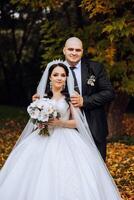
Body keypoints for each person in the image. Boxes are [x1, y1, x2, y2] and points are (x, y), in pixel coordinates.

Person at [0, 61, 121, 200]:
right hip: (42, 137)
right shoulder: (41, 97)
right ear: (49, 77)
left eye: (63, 75)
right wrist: (40, 121)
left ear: (66, 78)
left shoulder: (71, 97)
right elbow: (34, 120)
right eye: (55, 74)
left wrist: (61, 122)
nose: (59, 78)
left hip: (66, 137)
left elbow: (77, 122)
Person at [33, 37, 115, 160]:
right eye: (70, 49)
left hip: (93, 126)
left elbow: (109, 93)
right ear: (64, 50)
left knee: (95, 168)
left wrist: (84, 101)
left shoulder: (95, 68)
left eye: (78, 50)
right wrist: (38, 99)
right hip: (59, 130)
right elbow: (44, 93)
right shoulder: (55, 70)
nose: (74, 53)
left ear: (82, 51)